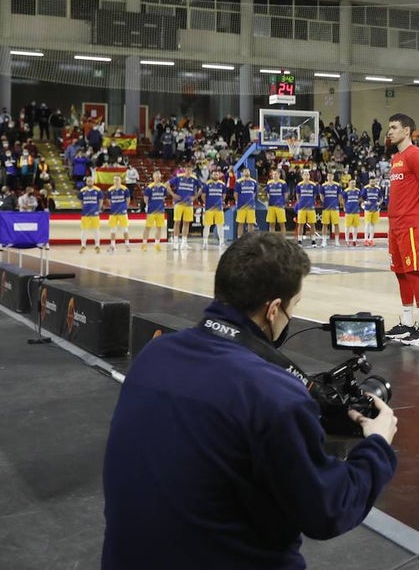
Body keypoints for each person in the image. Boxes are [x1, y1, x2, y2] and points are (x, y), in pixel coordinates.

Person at [101, 232, 398, 570]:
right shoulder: (272, 394)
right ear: (273, 310)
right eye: (293, 307)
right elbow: (329, 510)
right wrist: (377, 446)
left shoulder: (155, 353)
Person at [381, 114, 419, 345]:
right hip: (396, 225)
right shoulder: (396, 158)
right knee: (401, 272)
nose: (390, 131)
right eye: (389, 127)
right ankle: (406, 323)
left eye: (394, 127)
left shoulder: (415, 155)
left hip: (412, 223)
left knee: (414, 272)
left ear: (407, 131)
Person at [168, 165, 202, 250]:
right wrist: (173, 195)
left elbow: (202, 188)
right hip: (179, 203)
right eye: (187, 169)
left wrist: (195, 197)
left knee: (186, 223)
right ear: (184, 169)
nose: (188, 171)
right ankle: (176, 242)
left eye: (190, 169)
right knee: (177, 222)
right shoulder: (179, 177)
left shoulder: (194, 179)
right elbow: (167, 185)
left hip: (188, 204)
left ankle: (184, 242)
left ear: (192, 170)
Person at [142, 169, 168, 251]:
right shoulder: (149, 187)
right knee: (148, 227)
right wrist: (148, 206)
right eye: (156, 177)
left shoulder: (163, 187)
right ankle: (144, 244)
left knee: (159, 228)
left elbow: (164, 197)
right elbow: (145, 198)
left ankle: (156, 244)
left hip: (160, 211)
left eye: (159, 177)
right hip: (151, 211)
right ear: (153, 177)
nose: (158, 178)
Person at [202, 170, 228, 247]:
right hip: (209, 208)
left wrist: (221, 202)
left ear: (219, 175)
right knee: (207, 226)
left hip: (219, 208)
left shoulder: (222, 184)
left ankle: (221, 242)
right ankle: (205, 242)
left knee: (220, 225)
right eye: (214, 174)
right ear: (211, 175)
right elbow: (203, 196)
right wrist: (206, 204)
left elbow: (224, 195)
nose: (216, 175)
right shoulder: (207, 184)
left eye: (217, 174)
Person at [105, 175, 132, 252]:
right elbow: (109, 200)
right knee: (113, 229)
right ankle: (113, 245)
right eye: (115, 179)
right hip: (113, 212)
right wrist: (114, 206)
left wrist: (124, 207)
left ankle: (127, 245)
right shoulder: (110, 190)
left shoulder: (125, 189)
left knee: (125, 229)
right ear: (113, 181)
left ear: (120, 180)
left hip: (122, 212)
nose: (116, 181)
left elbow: (128, 200)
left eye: (117, 179)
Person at [293, 169, 319, 247]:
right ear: (302, 176)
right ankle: (300, 240)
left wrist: (311, 202)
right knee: (301, 224)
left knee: (312, 224)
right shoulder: (299, 185)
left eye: (308, 174)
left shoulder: (313, 185)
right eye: (305, 174)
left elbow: (314, 195)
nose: (306, 175)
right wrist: (299, 202)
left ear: (309, 176)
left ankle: (313, 240)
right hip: (302, 207)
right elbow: (297, 195)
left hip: (310, 207)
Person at [79, 175, 103, 253]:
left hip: (95, 213)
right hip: (85, 213)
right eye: (88, 181)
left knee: (96, 229)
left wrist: (98, 209)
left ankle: (97, 245)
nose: (89, 182)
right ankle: (83, 245)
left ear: (93, 182)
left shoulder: (98, 190)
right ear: (86, 182)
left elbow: (101, 201)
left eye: (91, 181)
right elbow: (81, 201)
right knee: (84, 229)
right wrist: (83, 208)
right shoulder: (82, 190)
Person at [234, 166, 259, 239]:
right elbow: (236, 194)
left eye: (248, 171)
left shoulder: (254, 182)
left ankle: (251, 239)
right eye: (245, 171)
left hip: (251, 206)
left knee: (251, 223)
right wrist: (237, 202)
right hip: (241, 206)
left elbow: (254, 193)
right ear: (242, 173)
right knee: (240, 223)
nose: (246, 172)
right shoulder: (238, 182)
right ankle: (239, 238)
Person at [319, 172, 343, 247]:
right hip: (326, 207)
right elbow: (321, 195)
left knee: (336, 224)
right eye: (328, 176)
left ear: (333, 177)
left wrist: (336, 203)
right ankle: (324, 241)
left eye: (331, 176)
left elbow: (339, 196)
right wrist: (324, 202)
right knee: (325, 224)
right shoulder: (323, 185)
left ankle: (336, 241)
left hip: (335, 207)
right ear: (327, 177)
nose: (330, 177)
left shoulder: (337, 185)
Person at [265, 168, 288, 237]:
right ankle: (272, 239)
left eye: (276, 174)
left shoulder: (283, 183)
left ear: (279, 175)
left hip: (280, 205)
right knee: (271, 223)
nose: (275, 175)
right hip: (271, 205)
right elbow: (267, 193)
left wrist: (283, 202)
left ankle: (283, 239)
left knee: (282, 223)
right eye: (273, 174)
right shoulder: (269, 183)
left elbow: (286, 194)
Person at [362, 175, 382, 247]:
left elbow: (381, 198)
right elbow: (361, 198)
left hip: (375, 209)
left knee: (373, 225)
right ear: (369, 181)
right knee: (367, 224)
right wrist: (364, 203)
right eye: (371, 181)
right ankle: (365, 240)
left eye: (373, 181)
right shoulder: (365, 188)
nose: (372, 182)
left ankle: (371, 240)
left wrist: (379, 203)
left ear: (375, 181)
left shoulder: (378, 188)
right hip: (368, 209)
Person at [342, 181, 362, 246]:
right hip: (348, 211)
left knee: (355, 226)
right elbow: (343, 200)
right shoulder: (346, 191)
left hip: (356, 211)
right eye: (352, 183)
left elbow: (360, 198)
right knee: (347, 226)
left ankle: (354, 240)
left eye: (354, 183)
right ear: (349, 183)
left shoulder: (358, 190)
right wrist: (344, 207)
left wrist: (358, 204)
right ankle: (347, 240)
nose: (353, 184)